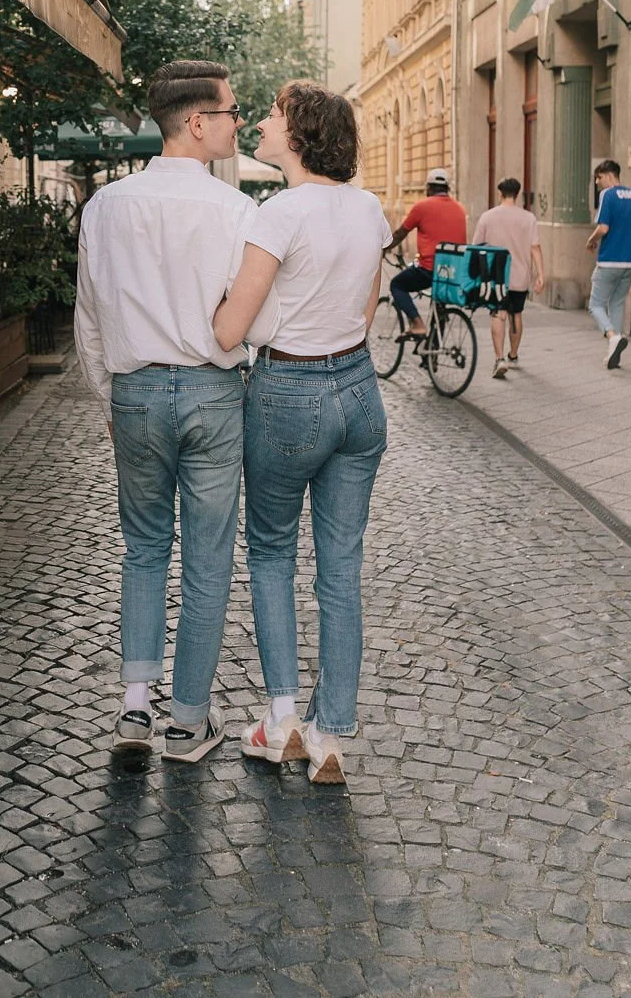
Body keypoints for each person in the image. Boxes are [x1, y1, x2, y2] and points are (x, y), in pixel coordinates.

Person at [74, 60, 277, 761]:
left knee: (143, 547)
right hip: (212, 393)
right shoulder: (237, 212)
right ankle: (188, 721)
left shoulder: (105, 207)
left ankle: (134, 710)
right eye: (229, 112)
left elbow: (89, 319)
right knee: (209, 558)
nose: (237, 123)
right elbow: (252, 320)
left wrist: (112, 396)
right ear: (197, 123)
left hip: (135, 392)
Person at [213, 82, 389, 786]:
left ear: (301, 133)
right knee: (341, 569)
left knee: (272, 556)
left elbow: (231, 329)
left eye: (274, 114)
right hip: (359, 389)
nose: (260, 120)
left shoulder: (277, 214)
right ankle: (332, 734)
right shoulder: (370, 209)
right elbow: (368, 305)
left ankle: (282, 720)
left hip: (288, 391)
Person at [472, 177, 545, 378]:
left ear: (500, 193)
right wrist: (541, 275)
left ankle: (499, 358)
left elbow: (476, 246)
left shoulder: (488, 217)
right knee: (516, 315)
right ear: (518, 194)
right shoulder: (528, 218)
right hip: (520, 277)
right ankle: (513, 355)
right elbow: (535, 248)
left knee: (498, 313)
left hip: (496, 277)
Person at [386, 168, 468, 337]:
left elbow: (401, 233)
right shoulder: (460, 208)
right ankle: (432, 356)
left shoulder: (422, 207)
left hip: (429, 269)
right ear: (447, 188)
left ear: (429, 188)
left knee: (397, 285)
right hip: (452, 272)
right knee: (439, 306)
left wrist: (384, 249)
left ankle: (417, 324)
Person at [586, 158, 631, 369]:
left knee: (595, 304)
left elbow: (603, 228)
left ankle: (612, 337)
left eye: (599, 178)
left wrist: (591, 240)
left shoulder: (608, 195)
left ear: (609, 174)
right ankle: (615, 354)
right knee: (617, 303)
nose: (598, 183)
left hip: (610, 259)